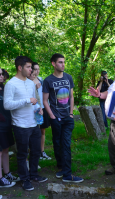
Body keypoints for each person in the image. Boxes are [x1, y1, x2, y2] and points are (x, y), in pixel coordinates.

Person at [4, 56, 47, 191]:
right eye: (28, 67)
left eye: (31, 67)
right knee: (22, 154)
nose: (31, 70)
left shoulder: (30, 83)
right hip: (20, 125)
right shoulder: (11, 84)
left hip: (34, 123)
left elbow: (34, 101)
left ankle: (34, 174)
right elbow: (7, 105)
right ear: (20, 68)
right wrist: (26, 100)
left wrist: (38, 108)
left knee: (35, 151)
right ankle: (25, 179)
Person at [43, 53, 83, 183]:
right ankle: (61, 167)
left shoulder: (68, 77)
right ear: (53, 64)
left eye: (64, 62)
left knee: (65, 144)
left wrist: (71, 113)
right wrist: (52, 116)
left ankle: (67, 174)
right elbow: (45, 100)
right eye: (60, 62)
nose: (63, 64)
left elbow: (71, 97)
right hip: (56, 118)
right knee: (57, 143)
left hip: (67, 117)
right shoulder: (48, 80)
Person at [32, 62, 51, 160]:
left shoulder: (41, 79)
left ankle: (42, 151)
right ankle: (34, 152)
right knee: (35, 132)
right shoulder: (28, 80)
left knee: (42, 130)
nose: (37, 71)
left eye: (38, 69)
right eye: (35, 69)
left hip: (43, 107)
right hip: (34, 109)